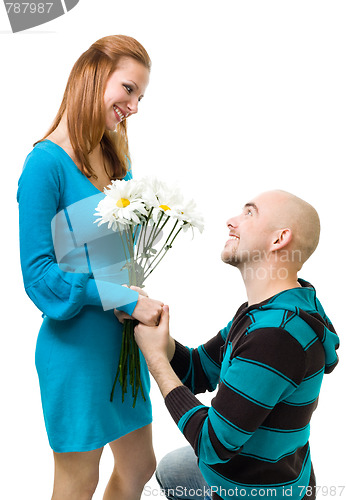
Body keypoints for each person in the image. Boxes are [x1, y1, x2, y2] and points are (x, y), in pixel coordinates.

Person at [17, 35, 164, 500]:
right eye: (128, 89)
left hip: (121, 338)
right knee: (79, 481)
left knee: (140, 466)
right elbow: (38, 274)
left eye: (141, 96)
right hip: (75, 349)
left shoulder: (114, 156)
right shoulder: (43, 165)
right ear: (93, 75)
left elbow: (118, 250)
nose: (135, 105)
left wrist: (132, 294)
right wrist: (122, 297)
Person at [132, 190, 340, 500]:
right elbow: (197, 371)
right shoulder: (266, 310)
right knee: (173, 469)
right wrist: (151, 325)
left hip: (261, 491)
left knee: (183, 464)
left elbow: (211, 445)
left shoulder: (276, 336)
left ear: (279, 239)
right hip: (266, 473)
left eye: (249, 213)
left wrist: (156, 360)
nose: (231, 222)